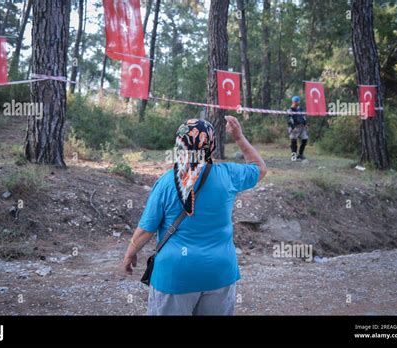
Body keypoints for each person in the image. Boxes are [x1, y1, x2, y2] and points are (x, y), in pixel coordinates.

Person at [122, 116, 266, 315]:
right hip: (219, 273)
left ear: (179, 144)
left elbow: (147, 229)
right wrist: (239, 138)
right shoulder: (229, 176)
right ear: (212, 145)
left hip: (175, 276)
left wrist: (130, 253)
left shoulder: (166, 183)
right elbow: (260, 168)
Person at [287, 95, 308, 160]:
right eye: (296, 101)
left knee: (305, 140)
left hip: (302, 127)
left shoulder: (301, 109)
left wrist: (306, 124)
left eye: (298, 101)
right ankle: (294, 155)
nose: (298, 102)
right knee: (293, 141)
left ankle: (300, 154)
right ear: (293, 102)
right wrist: (293, 127)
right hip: (294, 127)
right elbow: (289, 119)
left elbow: (304, 117)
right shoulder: (290, 110)